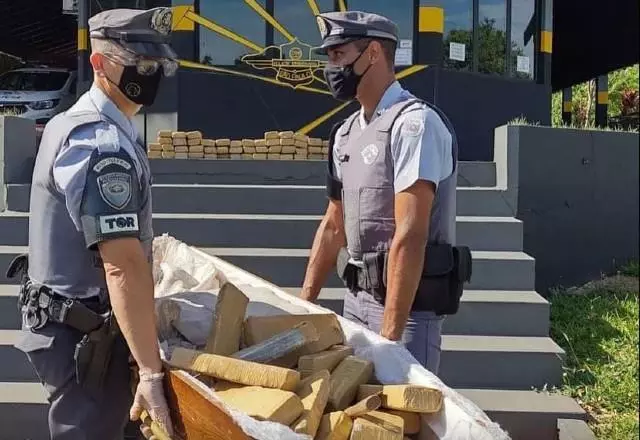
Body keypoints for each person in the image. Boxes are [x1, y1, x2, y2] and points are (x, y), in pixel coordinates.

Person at [9, 7, 178, 439]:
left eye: (155, 64)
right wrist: (150, 373)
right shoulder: (99, 144)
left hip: (79, 325)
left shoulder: (87, 124)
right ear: (99, 64)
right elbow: (120, 265)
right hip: (85, 343)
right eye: (138, 64)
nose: (150, 72)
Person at [299, 11, 471, 375]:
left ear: (373, 52)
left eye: (339, 55)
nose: (331, 67)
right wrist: (304, 306)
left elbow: (410, 235)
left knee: (403, 423)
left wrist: (390, 339)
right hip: (355, 302)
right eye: (329, 57)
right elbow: (333, 225)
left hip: (406, 312)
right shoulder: (344, 134)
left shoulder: (414, 126)